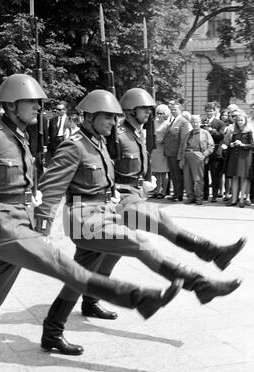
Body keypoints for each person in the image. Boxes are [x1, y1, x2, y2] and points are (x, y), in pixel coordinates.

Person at [0, 75, 179, 372]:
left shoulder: (17, 134)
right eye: (31, 102)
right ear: (10, 104)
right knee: (61, 264)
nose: (38, 107)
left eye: (39, 102)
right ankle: (135, 297)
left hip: (17, 218)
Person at [35, 88, 244, 356]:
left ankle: (52, 331)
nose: (113, 123)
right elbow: (50, 188)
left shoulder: (97, 142)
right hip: (82, 218)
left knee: (80, 276)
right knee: (137, 242)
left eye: (115, 118)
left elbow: (107, 181)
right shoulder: (73, 145)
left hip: (102, 212)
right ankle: (198, 284)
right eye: (107, 118)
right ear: (88, 117)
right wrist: (41, 229)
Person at [178, 115, 214, 205]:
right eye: (193, 122)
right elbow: (182, 146)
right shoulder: (188, 134)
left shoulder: (205, 133)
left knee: (198, 178)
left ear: (200, 123)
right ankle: (190, 197)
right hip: (187, 156)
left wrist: (204, 155)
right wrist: (181, 159)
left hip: (198, 155)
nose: (195, 124)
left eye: (197, 122)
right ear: (191, 123)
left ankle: (199, 197)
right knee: (187, 178)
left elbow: (211, 146)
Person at [224, 112, 254, 207]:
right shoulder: (234, 131)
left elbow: (252, 145)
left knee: (244, 178)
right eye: (238, 120)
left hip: (245, 157)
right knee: (235, 178)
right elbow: (230, 143)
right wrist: (232, 145)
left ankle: (242, 200)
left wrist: (243, 145)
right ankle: (233, 199)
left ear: (245, 121)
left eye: (241, 120)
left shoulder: (249, 131)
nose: (240, 122)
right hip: (235, 156)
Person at [163, 101, 190, 201]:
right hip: (169, 152)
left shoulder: (183, 122)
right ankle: (175, 193)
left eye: (175, 109)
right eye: (172, 109)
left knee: (178, 175)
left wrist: (181, 155)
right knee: (173, 175)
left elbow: (183, 141)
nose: (173, 111)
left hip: (176, 153)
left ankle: (178, 194)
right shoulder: (172, 120)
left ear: (180, 110)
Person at [202, 102, 225, 202]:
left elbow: (221, 136)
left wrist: (212, 130)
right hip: (204, 152)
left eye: (211, 111)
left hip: (215, 152)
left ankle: (215, 195)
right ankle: (205, 195)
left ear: (214, 111)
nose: (209, 113)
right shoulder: (202, 121)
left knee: (215, 175)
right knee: (204, 175)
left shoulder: (220, 123)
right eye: (207, 111)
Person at [150, 104, 171, 199]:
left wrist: (164, 141)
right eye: (158, 113)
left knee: (164, 172)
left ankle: (163, 191)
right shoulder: (154, 122)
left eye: (161, 113)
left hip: (163, 148)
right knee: (156, 172)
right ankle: (157, 190)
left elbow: (170, 137)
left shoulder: (167, 124)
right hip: (154, 148)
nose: (159, 115)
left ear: (165, 114)